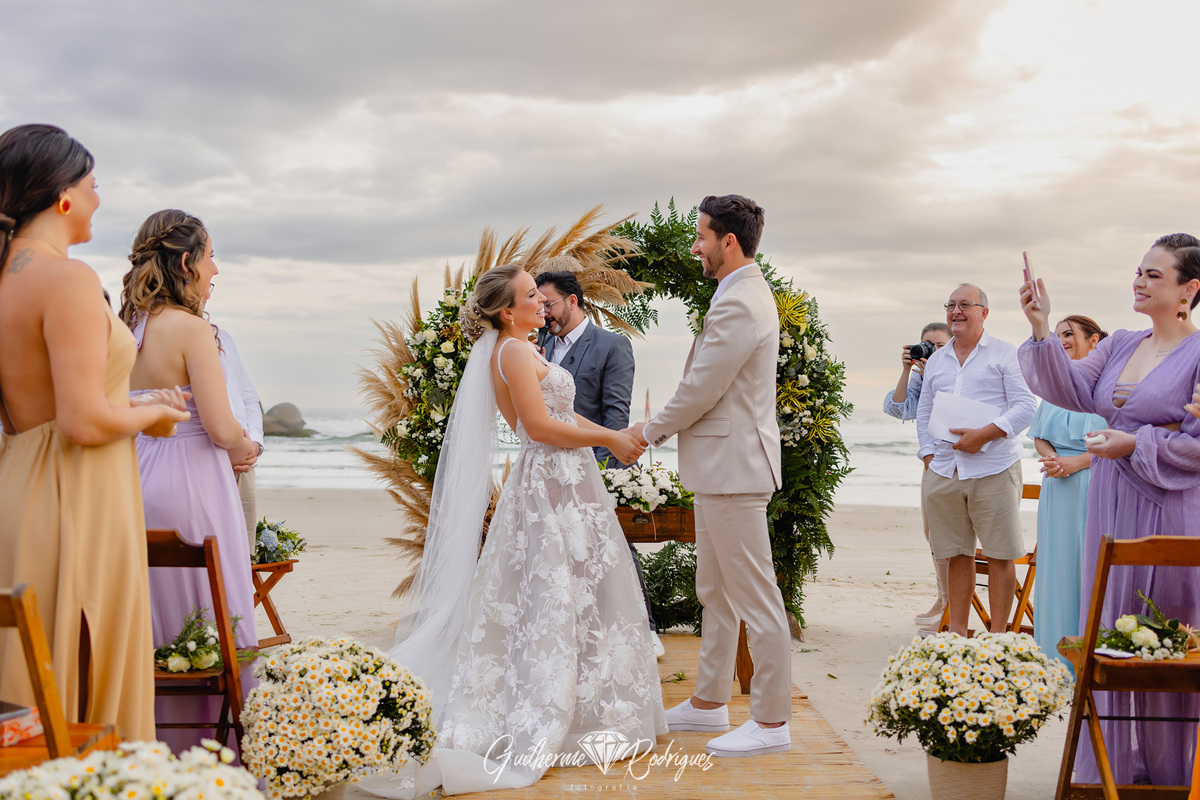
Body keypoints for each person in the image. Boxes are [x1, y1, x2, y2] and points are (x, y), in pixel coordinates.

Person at [360, 263, 665, 798]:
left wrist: (610, 437)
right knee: (555, 592)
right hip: (552, 483)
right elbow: (540, 428)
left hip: (559, 479)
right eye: (531, 296)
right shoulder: (517, 351)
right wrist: (612, 439)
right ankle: (553, 708)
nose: (541, 304)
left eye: (541, 297)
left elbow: (553, 423)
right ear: (508, 310)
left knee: (564, 592)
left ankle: (578, 695)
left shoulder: (516, 349)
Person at [0, 124, 187, 741]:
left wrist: (130, 399)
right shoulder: (69, 278)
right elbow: (81, 422)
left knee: (37, 675)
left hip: (21, 487)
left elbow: (52, 401)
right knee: (82, 672)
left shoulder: (6, 281)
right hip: (75, 494)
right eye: (93, 185)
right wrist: (152, 418)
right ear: (63, 198)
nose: (98, 199)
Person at [1019, 235, 1200, 787]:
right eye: (1138, 271)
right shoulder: (1120, 343)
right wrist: (1041, 327)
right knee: (1107, 630)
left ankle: (1174, 777)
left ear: (1188, 290)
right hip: (1110, 502)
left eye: (1154, 275)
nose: (1139, 282)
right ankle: (1110, 770)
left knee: (1164, 636)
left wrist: (1134, 445)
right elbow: (1068, 388)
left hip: (1169, 503)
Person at [629, 194, 792, 758]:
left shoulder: (740, 302)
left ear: (729, 241)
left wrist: (645, 433)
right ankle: (708, 703)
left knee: (756, 597)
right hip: (723, 468)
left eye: (701, 235)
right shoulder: (736, 294)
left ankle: (772, 723)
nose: (694, 245)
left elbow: (702, 389)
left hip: (734, 469)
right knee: (715, 593)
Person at [118, 209, 259, 752]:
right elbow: (222, 428)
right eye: (210, 256)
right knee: (216, 610)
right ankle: (220, 750)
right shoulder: (192, 330)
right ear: (186, 261)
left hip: (137, 475)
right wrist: (246, 448)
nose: (216, 269)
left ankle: (158, 747)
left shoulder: (127, 327)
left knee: (157, 614)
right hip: (194, 482)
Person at [535, 264, 663, 658]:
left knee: (614, 549)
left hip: (592, 464)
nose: (544, 313)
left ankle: (645, 627)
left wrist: (607, 476)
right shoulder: (535, 343)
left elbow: (615, 416)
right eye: (538, 305)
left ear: (572, 301)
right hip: (546, 466)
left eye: (549, 304)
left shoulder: (611, 345)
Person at [916, 283, 1037, 637]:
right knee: (955, 554)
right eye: (951, 305)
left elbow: (1026, 407)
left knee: (1001, 555)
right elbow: (925, 412)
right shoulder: (937, 360)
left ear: (983, 312)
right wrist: (927, 454)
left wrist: (985, 434)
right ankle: (957, 634)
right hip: (944, 470)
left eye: (965, 304)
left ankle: (998, 638)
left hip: (994, 468)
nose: (956, 311)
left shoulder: (1004, 353)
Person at [1027, 315, 1106, 669]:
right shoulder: (1055, 386)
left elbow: (1120, 443)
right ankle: (1053, 658)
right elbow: (1039, 435)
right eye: (1056, 335)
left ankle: (1091, 657)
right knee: (1056, 567)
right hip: (1057, 487)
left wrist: (1077, 463)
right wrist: (1055, 461)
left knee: (1088, 565)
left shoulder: (1107, 386)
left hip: (1094, 483)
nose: (1061, 340)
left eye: (1069, 334)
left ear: (1094, 340)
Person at [882, 321, 951, 631]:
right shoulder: (921, 378)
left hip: (957, 463)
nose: (930, 351)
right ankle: (943, 596)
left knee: (948, 537)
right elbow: (897, 408)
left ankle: (948, 602)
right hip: (930, 463)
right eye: (926, 344)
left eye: (938, 345)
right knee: (931, 535)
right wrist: (908, 370)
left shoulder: (952, 375)